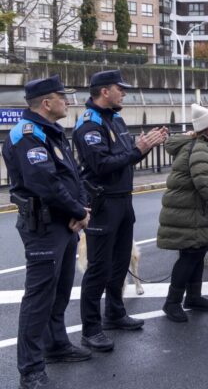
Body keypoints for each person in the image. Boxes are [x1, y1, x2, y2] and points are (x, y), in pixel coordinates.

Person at [2, 75, 92, 389]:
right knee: (38, 298)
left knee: (61, 290)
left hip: (64, 223)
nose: (67, 101)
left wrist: (81, 209)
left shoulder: (50, 131)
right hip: (43, 226)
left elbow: (72, 176)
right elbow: (45, 183)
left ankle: (56, 345)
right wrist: (78, 211)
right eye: (62, 97)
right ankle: (30, 370)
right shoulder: (27, 134)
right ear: (46, 103)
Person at [73, 70, 167, 352]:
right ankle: (91, 329)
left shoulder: (115, 118)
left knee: (119, 262)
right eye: (119, 89)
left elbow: (126, 158)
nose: (124, 93)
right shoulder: (88, 125)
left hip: (123, 200)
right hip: (103, 204)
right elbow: (102, 165)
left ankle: (115, 313)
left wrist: (146, 146)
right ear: (104, 92)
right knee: (98, 268)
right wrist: (138, 149)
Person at [158, 104, 208, 322]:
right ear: (203, 129)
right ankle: (172, 303)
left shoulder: (203, 143)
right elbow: (205, 182)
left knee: (197, 253)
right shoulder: (201, 147)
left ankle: (193, 296)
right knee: (190, 256)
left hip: (193, 211)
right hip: (190, 212)